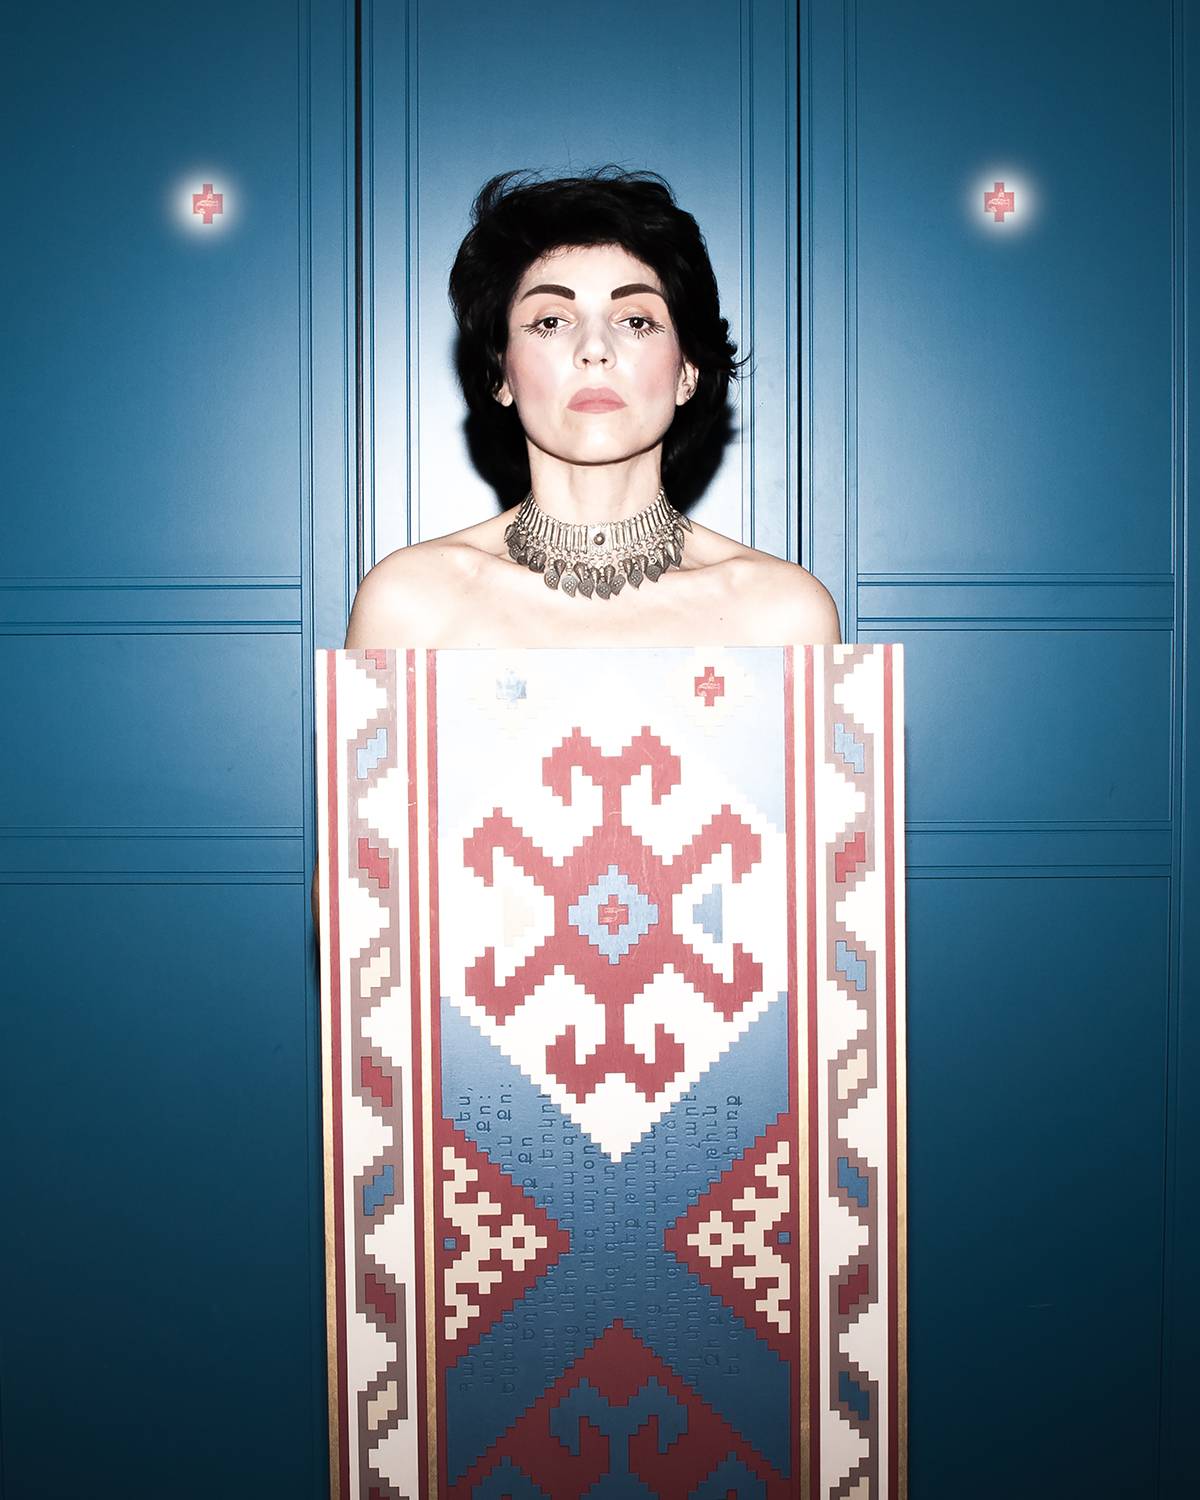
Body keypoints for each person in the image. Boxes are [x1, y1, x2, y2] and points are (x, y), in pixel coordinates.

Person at [313, 167, 840, 920]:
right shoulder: (412, 602)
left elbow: (818, 913)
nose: (595, 349)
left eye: (637, 321)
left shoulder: (782, 614)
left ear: (688, 370)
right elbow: (355, 912)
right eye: (551, 322)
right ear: (501, 372)